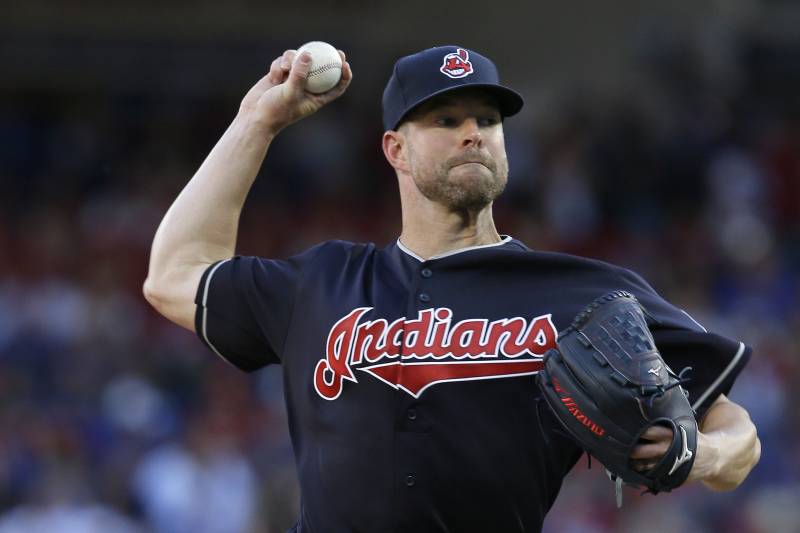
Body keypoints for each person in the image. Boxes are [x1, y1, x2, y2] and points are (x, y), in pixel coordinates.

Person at [143, 45, 761, 532]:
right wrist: (258, 121)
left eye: (487, 120)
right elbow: (173, 275)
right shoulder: (322, 281)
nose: (474, 134)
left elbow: (741, 437)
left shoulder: (586, 293)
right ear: (396, 150)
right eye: (446, 119)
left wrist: (702, 456)